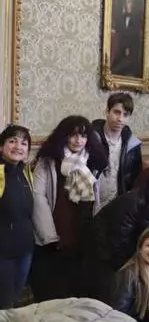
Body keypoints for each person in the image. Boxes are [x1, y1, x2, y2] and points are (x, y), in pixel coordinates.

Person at [31, 115, 108, 301]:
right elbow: (38, 197)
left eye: (83, 136)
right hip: (55, 233)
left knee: (78, 288)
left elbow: (100, 198)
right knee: (53, 290)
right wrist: (49, 236)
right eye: (73, 135)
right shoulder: (48, 161)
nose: (78, 140)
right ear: (64, 136)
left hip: (83, 232)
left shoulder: (93, 162)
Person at [90, 164, 149, 300]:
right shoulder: (135, 201)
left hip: (126, 252)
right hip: (104, 251)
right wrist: (130, 267)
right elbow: (119, 238)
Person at [0, 125, 34, 309]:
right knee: (3, 305)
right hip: (3, 253)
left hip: (24, 250)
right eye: (12, 141)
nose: (18, 147)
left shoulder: (25, 172)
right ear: (1, 146)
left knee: (13, 300)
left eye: (24, 143)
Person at [93, 94, 142, 213]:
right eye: (116, 112)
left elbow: (136, 179)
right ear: (107, 111)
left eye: (125, 114)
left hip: (118, 205)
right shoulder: (91, 139)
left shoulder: (133, 145)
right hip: (92, 203)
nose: (120, 118)